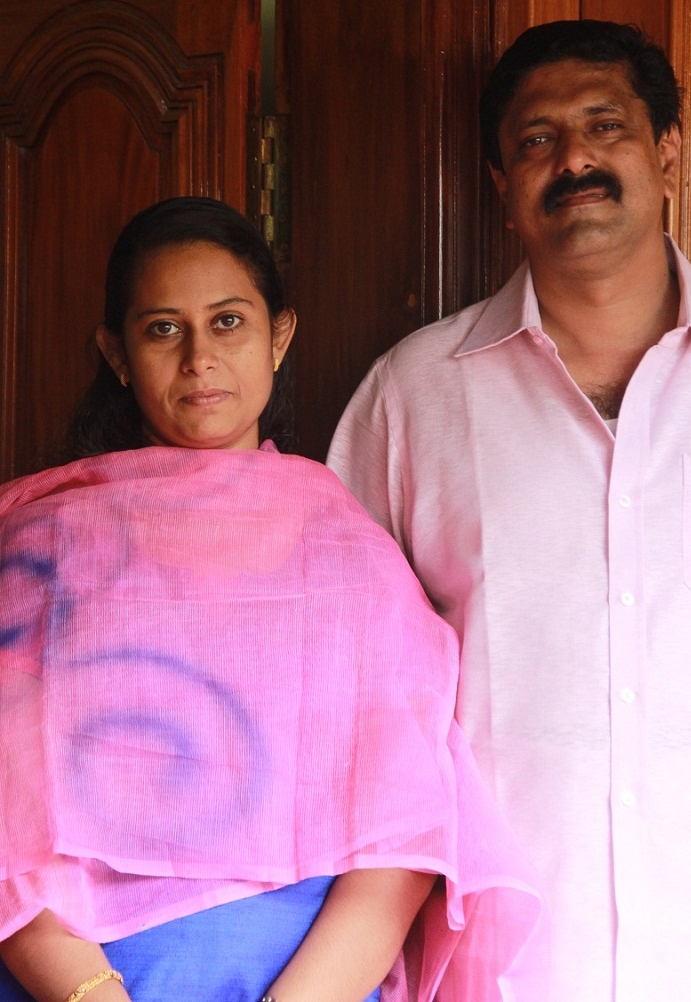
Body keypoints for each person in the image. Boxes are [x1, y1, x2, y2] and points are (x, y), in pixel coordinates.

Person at [328, 20, 691, 1001]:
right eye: (537, 139)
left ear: (667, 152)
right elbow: (347, 689)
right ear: (501, 184)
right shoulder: (414, 395)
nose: (574, 158)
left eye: (604, 124)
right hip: (507, 956)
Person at [0, 197, 544, 1002]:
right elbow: (8, 826)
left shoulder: (352, 564)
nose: (200, 359)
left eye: (228, 322)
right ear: (117, 354)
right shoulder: (42, 553)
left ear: (279, 336)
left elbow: (403, 843)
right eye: (163, 329)